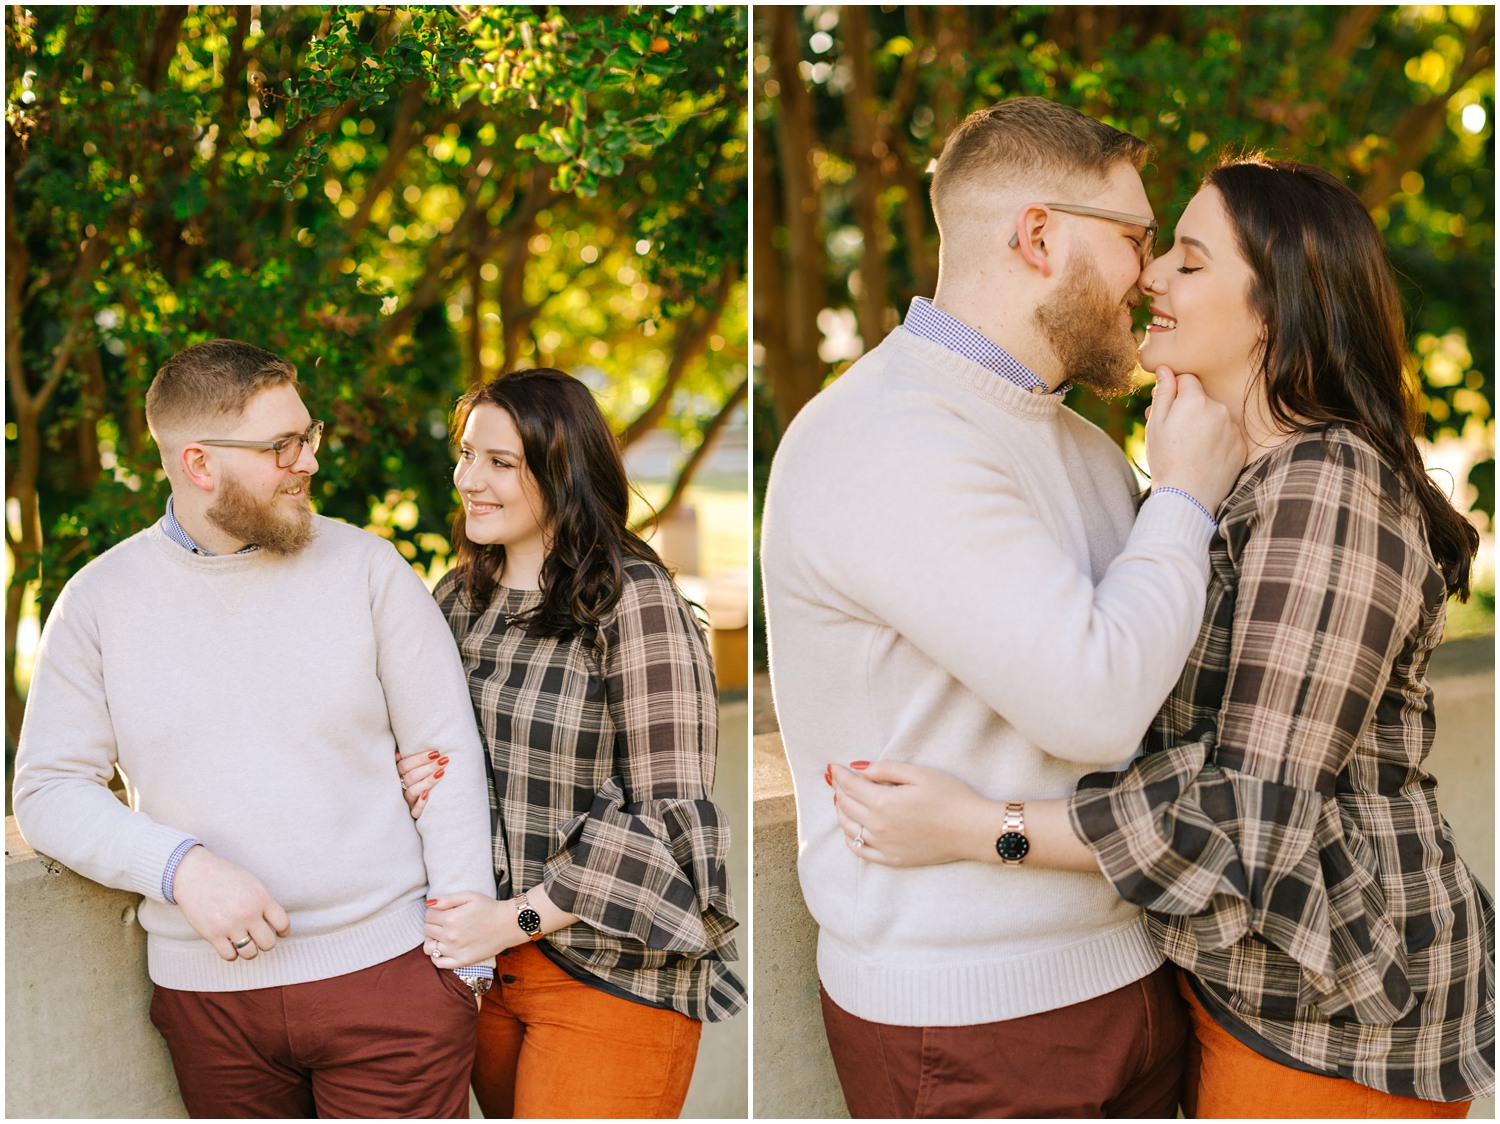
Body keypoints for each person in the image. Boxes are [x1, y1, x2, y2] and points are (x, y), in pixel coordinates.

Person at [831, 157, 1495, 1117]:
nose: (1149, 279)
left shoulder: (1327, 488)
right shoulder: (1244, 477)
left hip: (1334, 1019)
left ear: (1273, 310)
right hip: (1247, 987)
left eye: (1189, 261)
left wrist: (980, 829)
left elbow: (1245, 812)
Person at [759, 96, 1247, 1117]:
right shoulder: (886, 436)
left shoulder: (1078, 445)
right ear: (1038, 236)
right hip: (970, 1025)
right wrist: (1187, 495)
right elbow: (1098, 702)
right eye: (1135, 239)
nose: (1152, 276)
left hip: (1137, 976)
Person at [12, 339, 498, 1119]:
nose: (307, 460)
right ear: (200, 465)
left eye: (308, 436)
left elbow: (444, 755)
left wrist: (461, 972)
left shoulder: (370, 572)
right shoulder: (99, 602)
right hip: (209, 1009)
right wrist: (180, 868)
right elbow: (46, 790)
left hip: (394, 985)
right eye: (282, 446)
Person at [396, 367, 746, 1118]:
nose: (469, 480)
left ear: (562, 471)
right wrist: (403, 768)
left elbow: (669, 818)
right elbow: (426, 749)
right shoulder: (456, 600)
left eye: (500, 462)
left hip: (609, 965)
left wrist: (516, 916)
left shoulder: (634, 601)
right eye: (465, 455)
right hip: (483, 968)